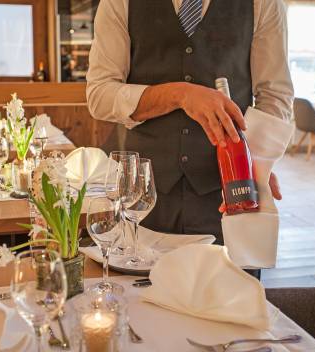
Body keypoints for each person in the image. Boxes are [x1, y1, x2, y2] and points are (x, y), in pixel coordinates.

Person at [86, 0, 293, 246]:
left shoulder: (263, 3)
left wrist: (256, 165)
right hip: (143, 199)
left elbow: (275, 97)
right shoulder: (120, 2)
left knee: (231, 282)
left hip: (229, 193)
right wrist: (181, 95)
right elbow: (99, 95)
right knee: (145, 283)